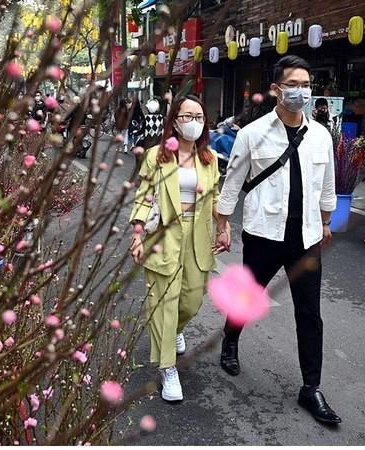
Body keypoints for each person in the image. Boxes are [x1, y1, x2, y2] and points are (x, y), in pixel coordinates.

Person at [215, 55, 341, 424]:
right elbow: (233, 183)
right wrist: (223, 224)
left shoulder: (320, 135)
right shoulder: (251, 134)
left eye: (306, 84)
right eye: (293, 84)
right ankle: (231, 339)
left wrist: (326, 221)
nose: (300, 91)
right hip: (263, 234)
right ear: (276, 90)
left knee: (310, 313)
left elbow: (327, 183)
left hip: (305, 237)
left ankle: (311, 389)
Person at [129, 94, 221, 402]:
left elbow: (216, 196)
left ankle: (172, 330)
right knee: (165, 304)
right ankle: (168, 368)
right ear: (175, 121)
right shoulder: (157, 155)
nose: (193, 123)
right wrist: (137, 235)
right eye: (186, 117)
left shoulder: (210, 158)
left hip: (197, 237)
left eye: (199, 117)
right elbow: (143, 196)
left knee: (191, 301)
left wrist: (224, 226)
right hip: (164, 236)